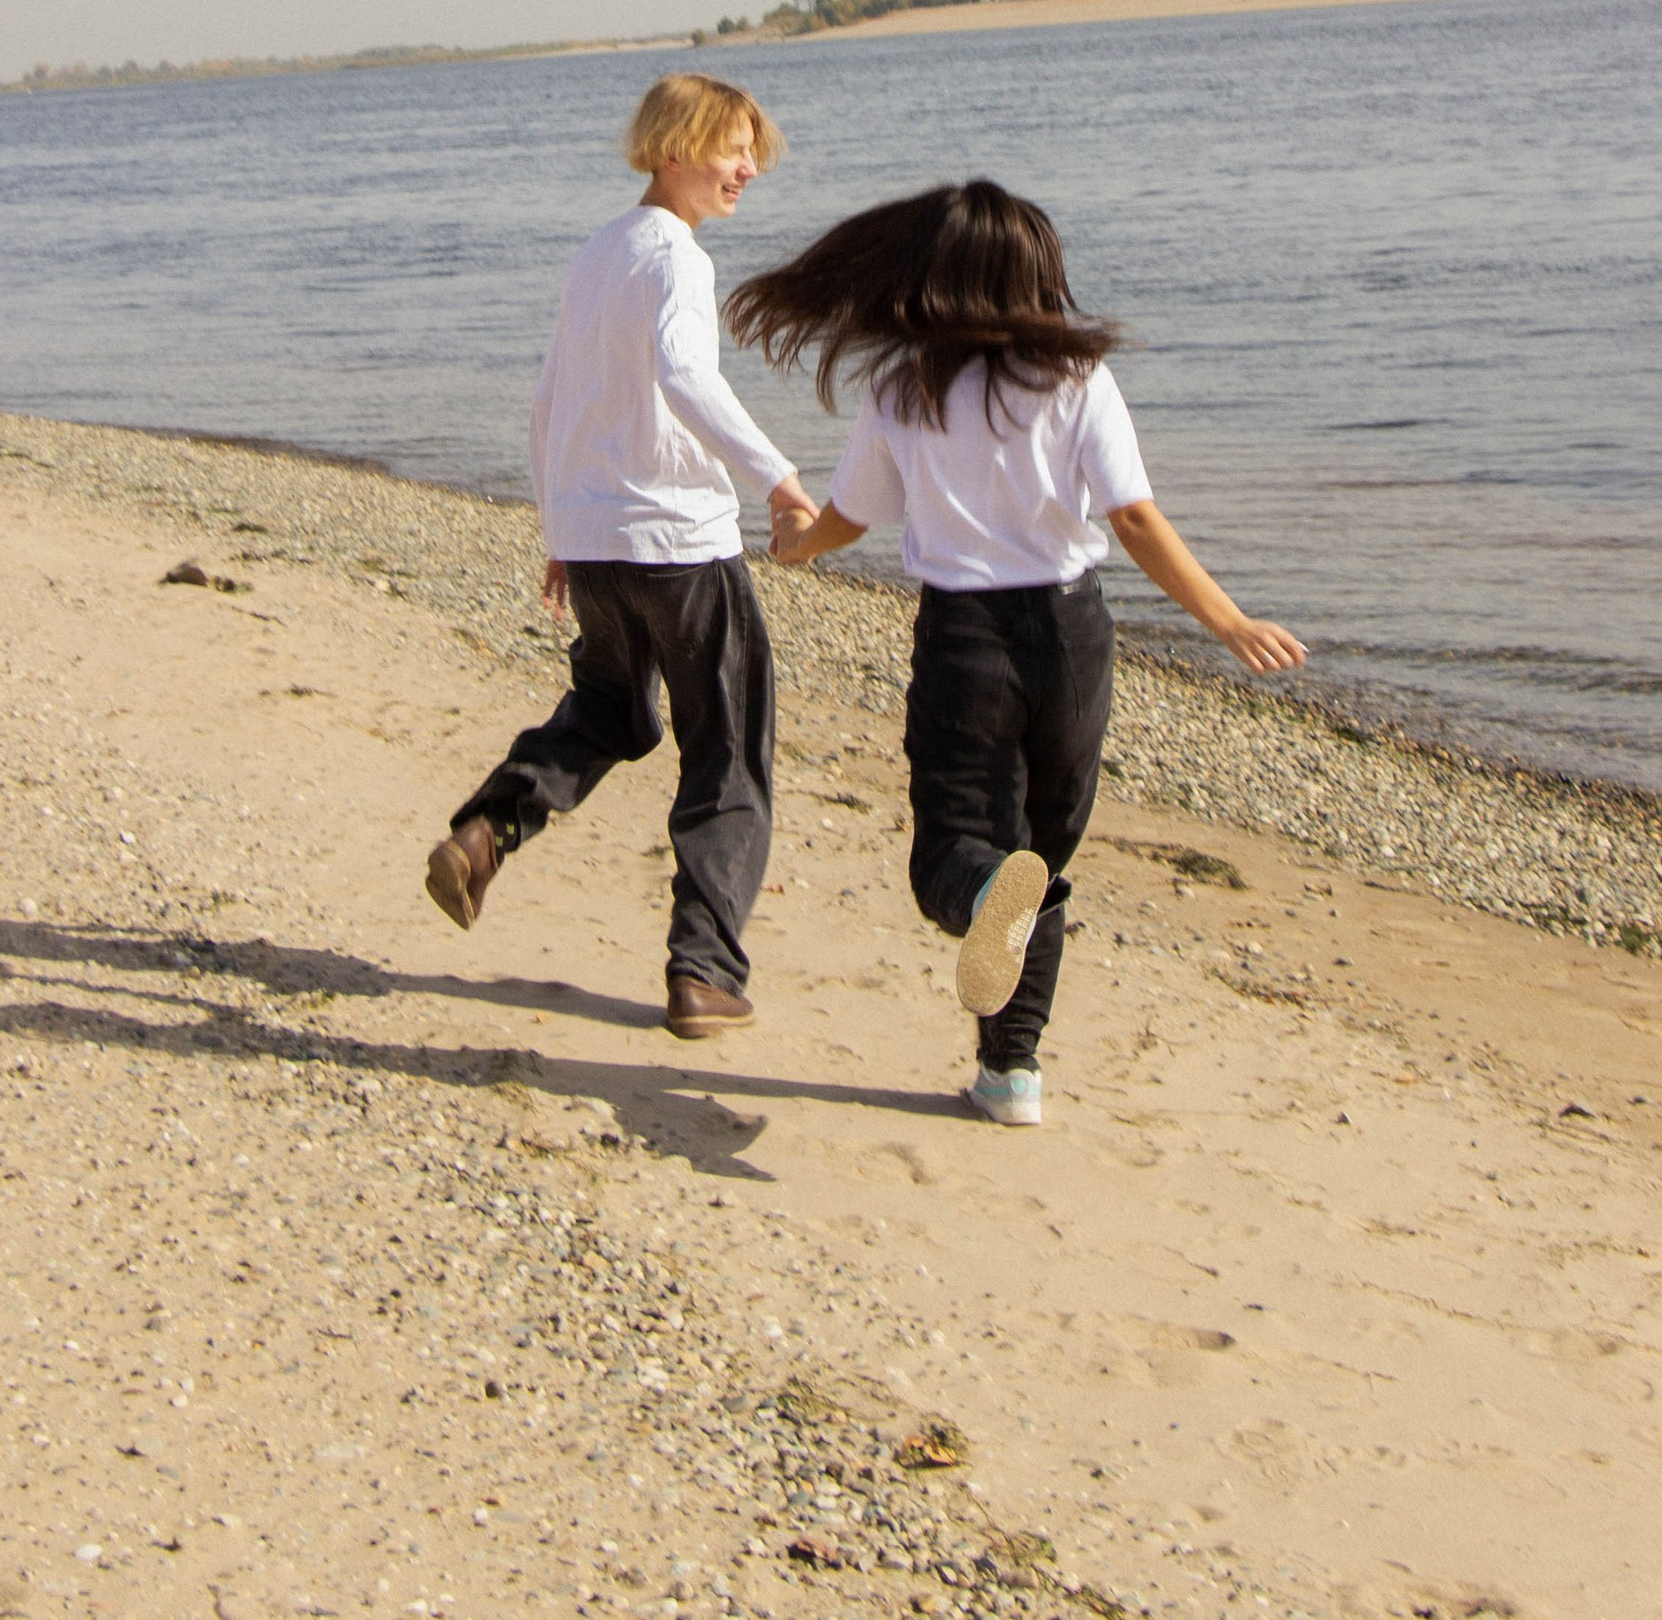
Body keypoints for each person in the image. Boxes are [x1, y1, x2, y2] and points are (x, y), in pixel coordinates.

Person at [730, 179, 1303, 1126]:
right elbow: (1132, 518)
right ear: (1036, 275)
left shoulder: (904, 387)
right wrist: (1227, 620)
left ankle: (996, 941)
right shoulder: (1079, 379)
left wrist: (795, 546)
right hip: (1073, 636)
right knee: (1042, 858)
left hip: (965, 638)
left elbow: (851, 518)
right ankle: (1012, 1074)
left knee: (959, 857)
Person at [424, 74, 817, 1039]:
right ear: (674, 149)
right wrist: (779, 478)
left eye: (753, 150)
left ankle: (486, 832)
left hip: (599, 545)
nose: (749, 167)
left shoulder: (598, 253)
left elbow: (549, 403)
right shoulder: (676, 259)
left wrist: (564, 531)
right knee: (727, 751)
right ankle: (704, 972)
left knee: (610, 712)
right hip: (680, 544)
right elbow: (684, 375)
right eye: (733, 148)